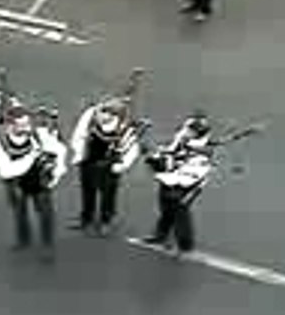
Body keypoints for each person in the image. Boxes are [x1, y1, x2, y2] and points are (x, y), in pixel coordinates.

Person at [0, 106, 67, 252]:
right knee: (19, 213)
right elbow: (7, 171)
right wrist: (31, 157)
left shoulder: (38, 135)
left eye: (28, 123)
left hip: (39, 180)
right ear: (10, 126)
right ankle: (23, 239)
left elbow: (60, 149)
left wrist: (58, 171)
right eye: (22, 125)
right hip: (16, 183)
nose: (27, 128)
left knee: (46, 213)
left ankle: (47, 244)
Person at [143, 112, 214, 253]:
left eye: (190, 130)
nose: (185, 131)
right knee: (166, 210)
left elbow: (190, 174)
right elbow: (171, 151)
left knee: (180, 213)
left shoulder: (202, 154)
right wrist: (158, 155)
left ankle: (185, 244)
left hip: (186, 185)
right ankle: (160, 235)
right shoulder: (183, 138)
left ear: (197, 134)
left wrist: (165, 166)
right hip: (169, 179)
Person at [69, 98, 141, 236]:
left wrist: (122, 165)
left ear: (114, 116)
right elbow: (79, 133)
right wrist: (79, 152)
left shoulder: (124, 128)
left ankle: (106, 221)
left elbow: (132, 149)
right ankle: (86, 218)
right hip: (89, 159)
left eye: (106, 114)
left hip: (109, 164)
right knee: (87, 190)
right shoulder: (91, 117)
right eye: (101, 112)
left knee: (108, 194)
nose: (102, 116)